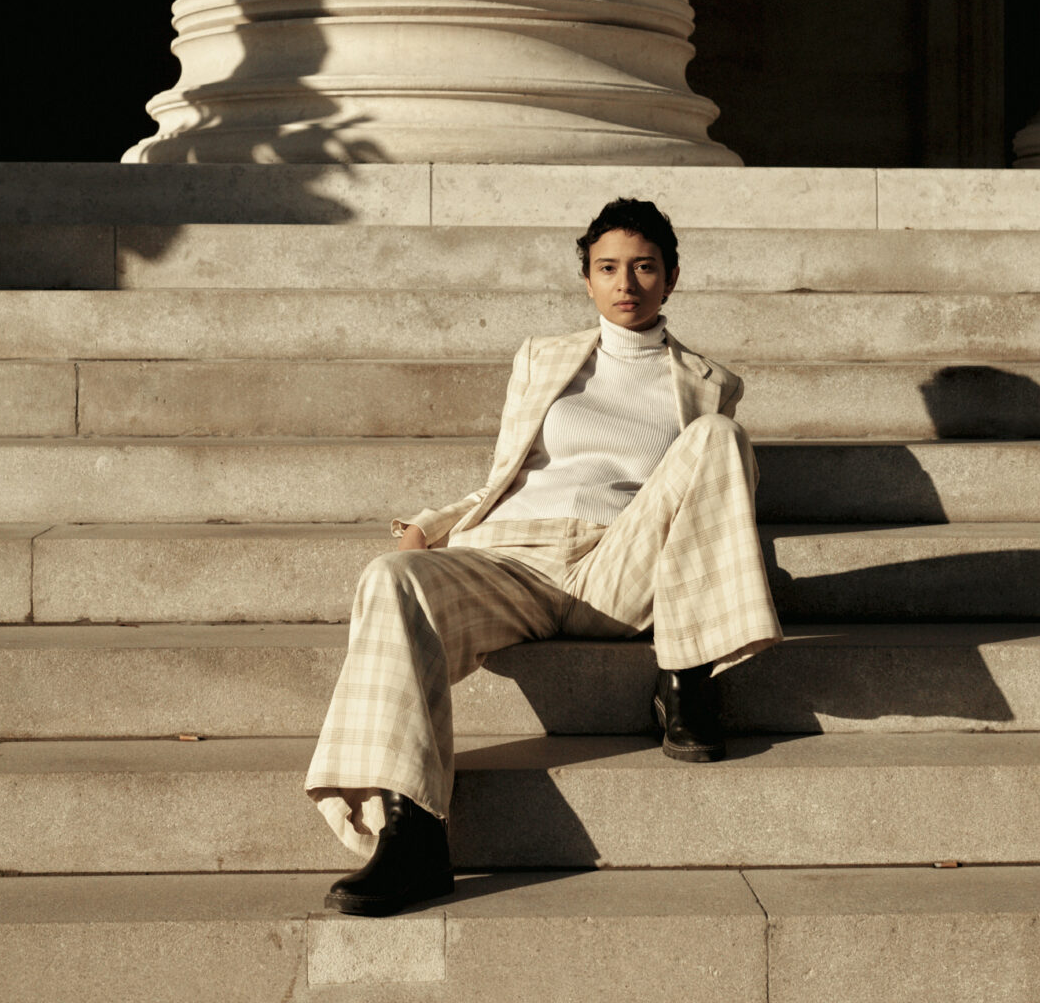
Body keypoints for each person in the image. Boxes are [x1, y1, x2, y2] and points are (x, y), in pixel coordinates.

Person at [305, 195, 782, 916]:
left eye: (645, 267)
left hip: (615, 565)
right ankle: (412, 831)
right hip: (511, 561)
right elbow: (506, 472)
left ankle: (687, 675)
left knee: (719, 441)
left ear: (672, 278)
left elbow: (702, 497)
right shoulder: (542, 359)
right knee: (388, 577)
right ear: (586, 278)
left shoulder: (711, 385)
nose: (627, 283)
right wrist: (431, 528)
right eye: (609, 268)